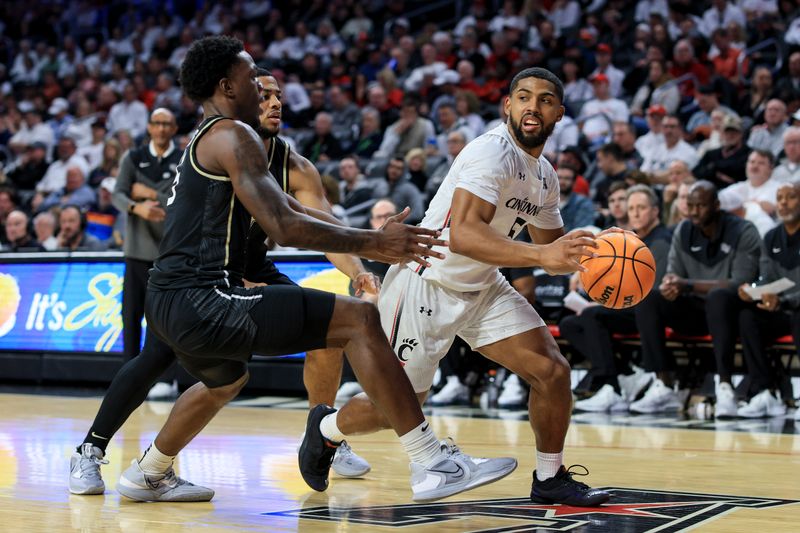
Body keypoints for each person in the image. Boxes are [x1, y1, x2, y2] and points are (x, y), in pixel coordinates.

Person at [111, 36, 515, 504]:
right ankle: (432, 464)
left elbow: (295, 210)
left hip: (170, 300)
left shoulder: (216, 136)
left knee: (226, 380)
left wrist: (369, 247)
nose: (264, 93)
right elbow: (284, 227)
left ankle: (148, 471)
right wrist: (377, 244)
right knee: (359, 320)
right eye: (251, 80)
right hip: (202, 297)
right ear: (226, 86)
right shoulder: (233, 134)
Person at [326, 67, 611, 506]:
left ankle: (550, 478)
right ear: (507, 106)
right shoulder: (490, 153)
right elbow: (464, 235)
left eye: (545, 99)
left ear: (559, 114)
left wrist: (599, 260)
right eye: (523, 96)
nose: (532, 106)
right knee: (394, 408)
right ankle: (324, 430)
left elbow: (550, 249)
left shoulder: (545, 176)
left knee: (552, 371)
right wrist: (541, 257)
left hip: (481, 286)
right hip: (427, 281)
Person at [632, 181, 760, 416]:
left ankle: (724, 385)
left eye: (700, 205)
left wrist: (686, 284)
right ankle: (664, 384)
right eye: (690, 205)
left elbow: (740, 282)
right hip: (693, 309)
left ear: (716, 205)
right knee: (649, 299)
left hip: (731, 312)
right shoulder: (683, 230)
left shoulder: (743, 231)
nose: (693, 211)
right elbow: (674, 273)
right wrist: (670, 285)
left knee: (719, 297)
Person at [565, 185, 672, 411]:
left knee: (593, 315)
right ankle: (627, 373)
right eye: (631, 207)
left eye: (641, 207)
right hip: (628, 307)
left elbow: (652, 288)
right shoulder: (627, 240)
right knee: (570, 325)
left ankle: (611, 386)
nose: (634, 212)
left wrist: (608, 301)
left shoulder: (661, 240)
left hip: (648, 310)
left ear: (655, 211)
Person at [112, 108, 182, 398]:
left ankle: (167, 379)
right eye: (157, 123)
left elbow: (184, 198)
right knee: (130, 317)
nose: (162, 129)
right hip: (136, 251)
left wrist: (150, 194)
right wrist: (135, 206)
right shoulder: (133, 156)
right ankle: (129, 377)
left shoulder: (183, 159)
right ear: (150, 127)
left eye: (167, 123)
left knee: (163, 321)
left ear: (174, 128)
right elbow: (118, 193)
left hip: (167, 253)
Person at [734, 182, 798, 418]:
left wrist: (785, 300)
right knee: (748, 316)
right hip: (781, 308)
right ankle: (765, 391)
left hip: (795, 307)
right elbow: (767, 277)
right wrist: (753, 290)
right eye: (780, 198)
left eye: (790, 197)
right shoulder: (771, 237)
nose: (783, 203)